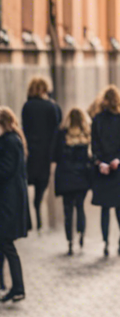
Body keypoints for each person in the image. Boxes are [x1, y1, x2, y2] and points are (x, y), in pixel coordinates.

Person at [91, 85, 120, 255]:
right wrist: (118, 159)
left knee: (105, 209)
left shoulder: (97, 119)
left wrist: (101, 162)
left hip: (105, 170)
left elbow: (94, 144)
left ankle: (106, 242)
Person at [21, 75, 62, 232]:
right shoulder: (52, 107)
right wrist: (54, 156)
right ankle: (37, 208)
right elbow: (56, 133)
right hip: (46, 152)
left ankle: (34, 214)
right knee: (42, 184)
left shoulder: (27, 106)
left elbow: (25, 128)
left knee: (30, 180)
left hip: (31, 151)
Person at [51, 107, 92, 255]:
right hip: (82, 176)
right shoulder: (86, 134)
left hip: (65, 176)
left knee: (67, 210)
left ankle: (70, 241)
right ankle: (81, 234)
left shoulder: (61, 133)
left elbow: (54, 155)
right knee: (80, 207)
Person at [0, 106, 30, 302]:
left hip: (8, 202)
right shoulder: (11, 140)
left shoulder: (10, 141)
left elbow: (5, 169)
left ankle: (18, 287)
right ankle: (9, 284)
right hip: (8, 200)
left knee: (6, 243)